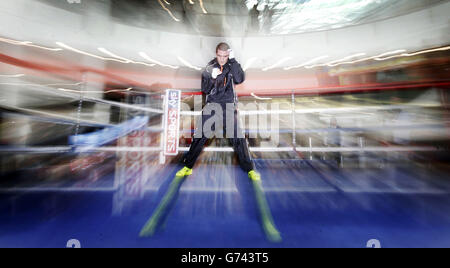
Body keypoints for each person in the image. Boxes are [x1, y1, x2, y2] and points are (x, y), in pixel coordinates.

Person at [175, 42, 260, 182]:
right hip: (212, 105)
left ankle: (249, 169)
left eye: (225, 56)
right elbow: (205, 89)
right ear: (216, 54)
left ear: (228, 55)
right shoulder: (209, 67)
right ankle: (187, 167)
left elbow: (239, 79)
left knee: (238, 139)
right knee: (199, 137)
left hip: (228, 107)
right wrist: (211, 77)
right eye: (220, 56)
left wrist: (233, 61)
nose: (222, 59)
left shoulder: (231, 65)